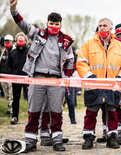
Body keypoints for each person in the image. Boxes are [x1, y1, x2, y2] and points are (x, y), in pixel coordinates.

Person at [10, 0, 75, 152]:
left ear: (61, 25)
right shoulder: (38, 33)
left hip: (56, 81)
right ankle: (30, 142)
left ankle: (57, 140)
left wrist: (66, 76)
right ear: (47, 23)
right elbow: (23, 24)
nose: (54, 26)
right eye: (51, 23)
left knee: (56, 113)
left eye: (57, 24)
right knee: (33, 112)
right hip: (37, 78)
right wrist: (14, 10)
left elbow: (71, 59)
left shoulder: (66, 40)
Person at [76, 18, 121, 149]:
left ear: (110, 28)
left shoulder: (119, 45)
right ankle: (88, 138)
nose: (102, 28)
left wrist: (120, 78)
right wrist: (90, 76)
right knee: (91, 113)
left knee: (112, 112)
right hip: (93, 85)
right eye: (100, 26)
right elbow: (81, 62)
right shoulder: (89, 44)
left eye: (105, 26)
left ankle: (112, 138)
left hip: (113, 86)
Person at [8, 32, 28, 124]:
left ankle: (32, 117)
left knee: (30, 98)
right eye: (19, 38)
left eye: (22, 39)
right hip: (15, 79)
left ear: (25, 41)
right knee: (16, 98)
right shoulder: (12, 53)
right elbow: (9, 65)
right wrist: (13, 74)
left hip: (27, 79)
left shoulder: (29, 52)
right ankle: (15, 116)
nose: (20, 40)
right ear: (16, 40)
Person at [0, 34, 14, 115]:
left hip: (11, 76)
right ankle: (9, 108)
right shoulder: (3, 52)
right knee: (6, 94)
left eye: (8, 41)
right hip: (3, 75)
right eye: (5, 41)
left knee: (11, 93)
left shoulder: (13, 51)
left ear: (12, 42)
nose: (6, 43)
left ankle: (12, 109)